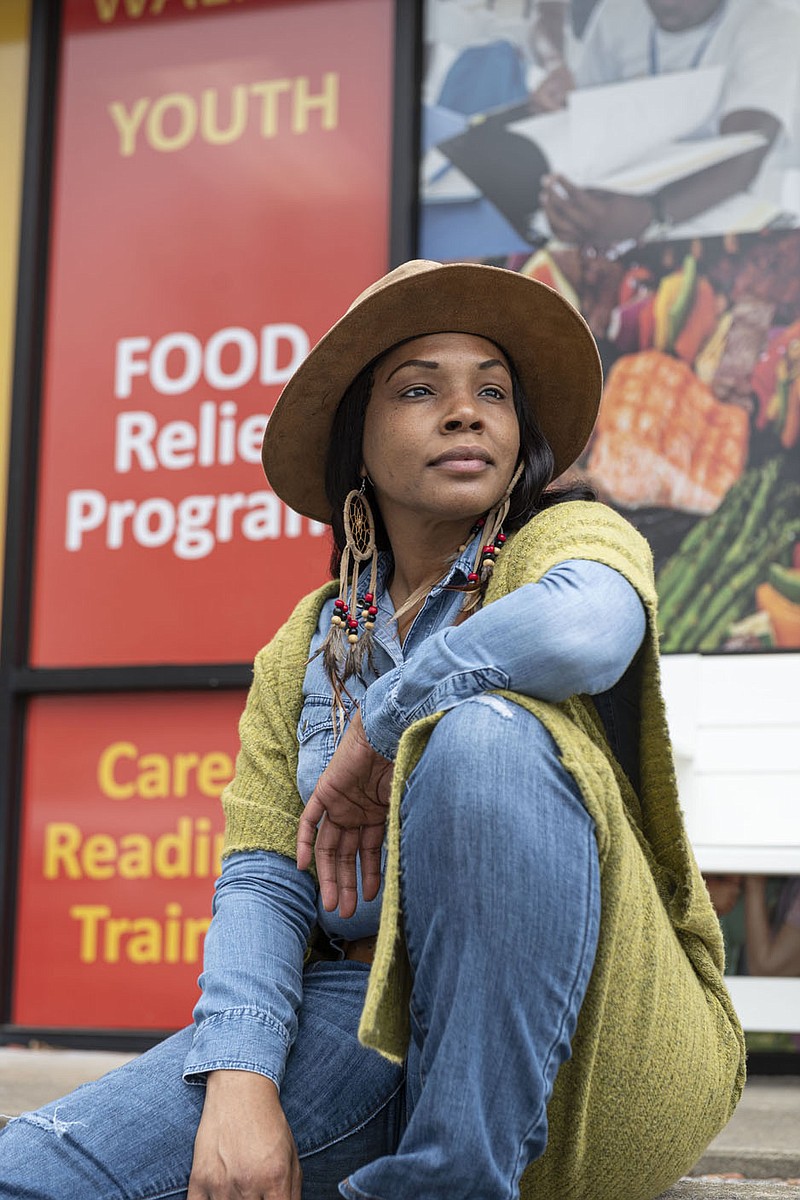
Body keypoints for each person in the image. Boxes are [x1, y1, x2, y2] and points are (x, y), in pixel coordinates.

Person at [0, 259, 745, 1200]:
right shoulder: (306, 644)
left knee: (479, 735)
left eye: (494, 392)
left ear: (520, 439)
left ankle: (452, 1181)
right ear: (359, 439)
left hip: (594, 1033)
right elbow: (266, 876)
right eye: (419, 389)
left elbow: (580, 632)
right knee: (29, 1174)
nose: (466, 411)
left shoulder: (566, 543)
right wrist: (239, 1080)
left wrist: (384, 725)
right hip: (365, 1021)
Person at [539, 0, 800, 245]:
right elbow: (585, 123)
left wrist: (650, 216)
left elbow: (742, 156)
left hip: (738, 231)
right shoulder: (617, 12)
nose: (666, 4)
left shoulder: (771, 19)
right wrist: (557, 108)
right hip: (621, 215)